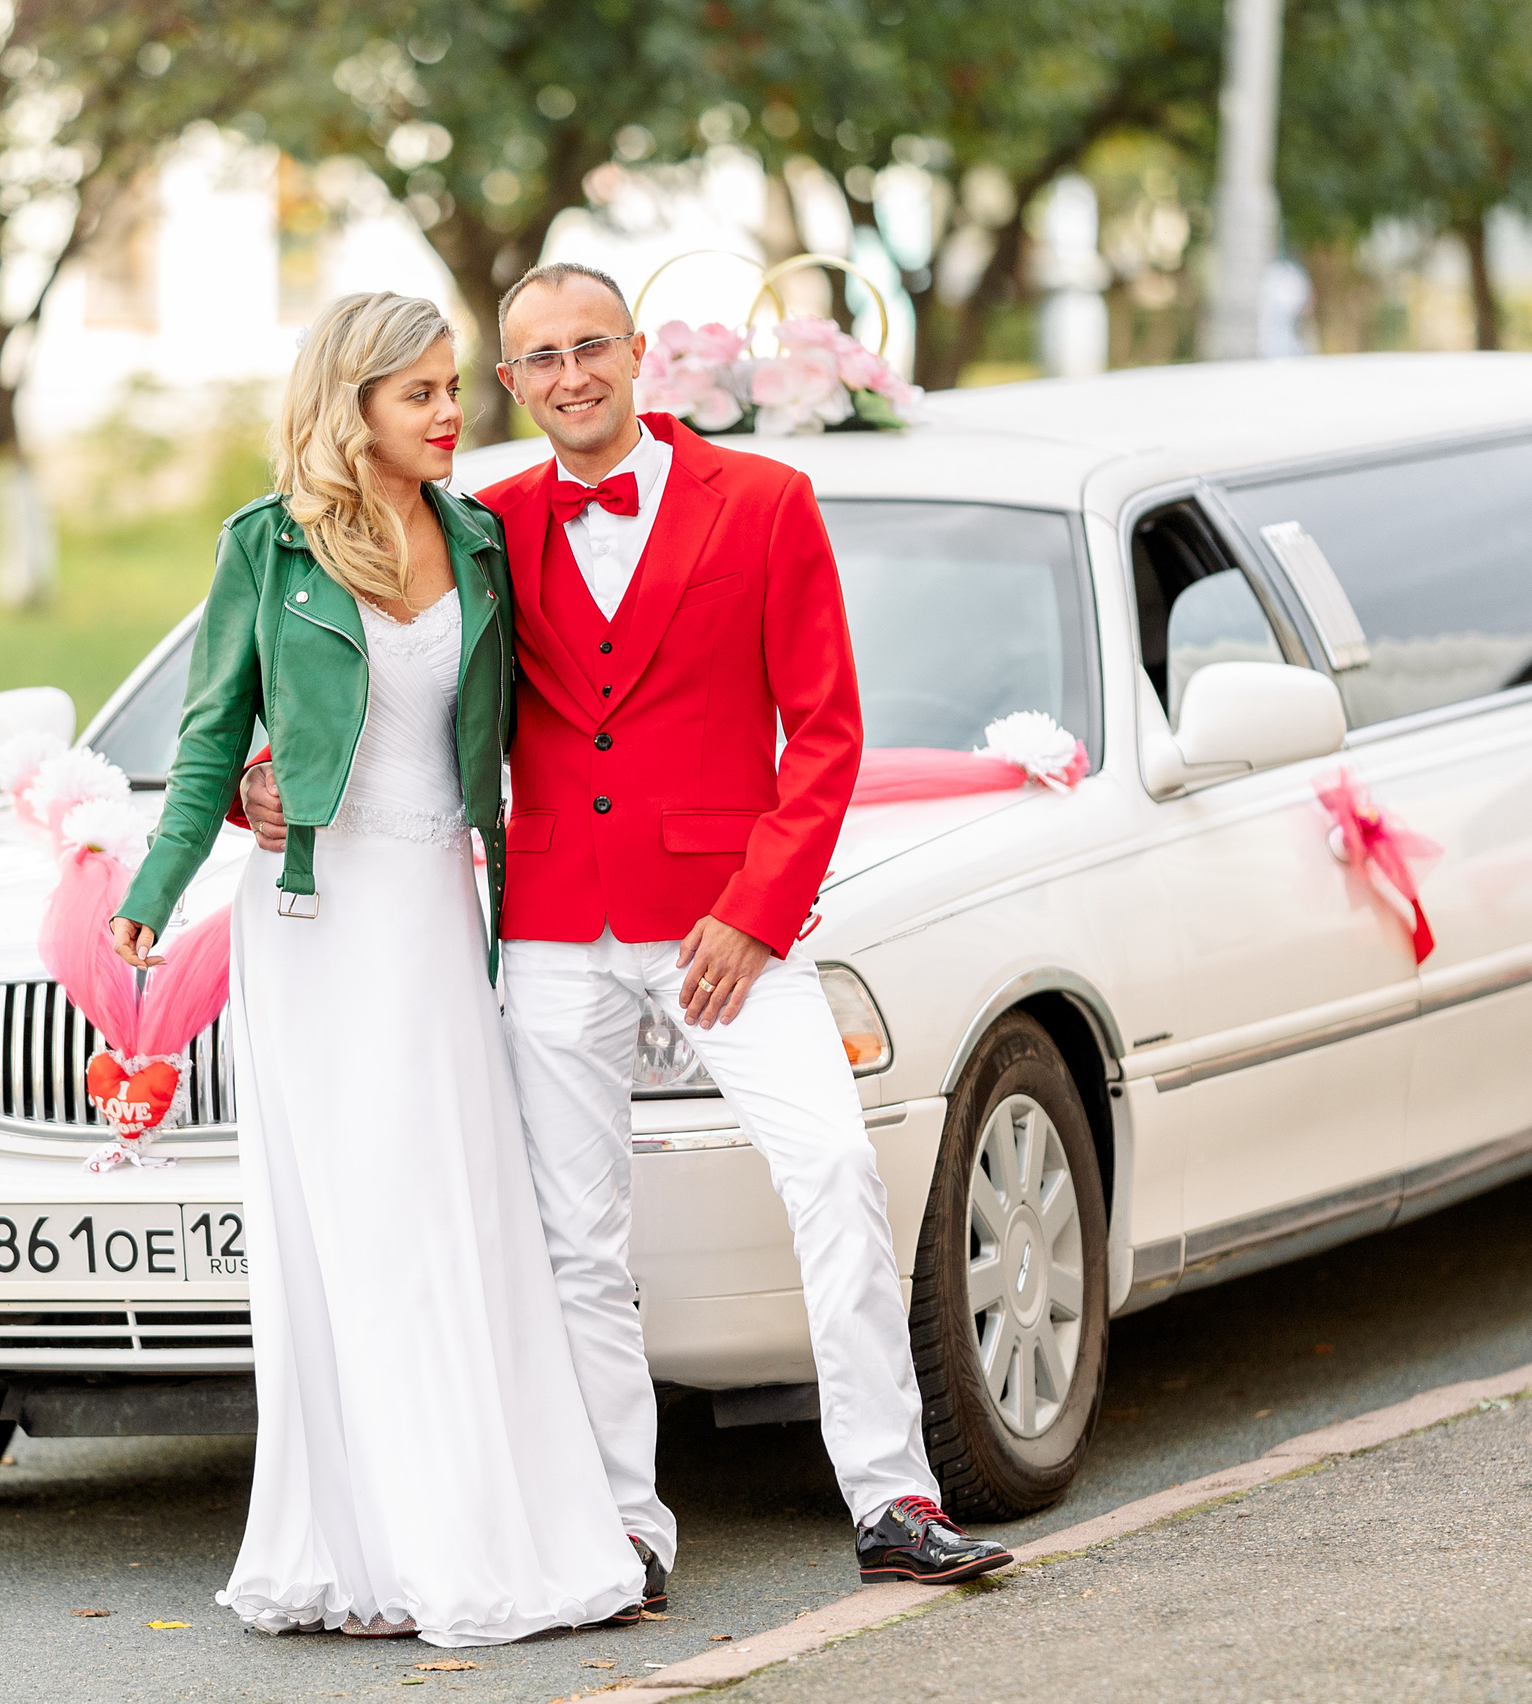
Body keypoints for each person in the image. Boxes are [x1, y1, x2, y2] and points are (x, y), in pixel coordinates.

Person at [241, 263, 1013, 1595]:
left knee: (832, 1169)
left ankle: (893, 1496)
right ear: (511, 383)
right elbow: (373, 663)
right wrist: (276, 773)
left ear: (640, 352)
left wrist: (756, 914)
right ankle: (624, 1524)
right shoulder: (482, 527)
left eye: (590, 346)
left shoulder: (765, 503)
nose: (569, 377)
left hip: (729, 924)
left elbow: (826, 734)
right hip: (549, 919)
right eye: (536, 360)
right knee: (574, 1239)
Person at [108, 291, 645, 1647]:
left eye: (456, 388)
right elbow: (212, 738)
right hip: (313, 925)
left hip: (434, 914)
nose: (453, 415)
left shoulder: (479, 536)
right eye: (421, 395)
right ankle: (360, 1555)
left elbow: (555, 718)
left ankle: (473, 1536)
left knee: (453, 1221)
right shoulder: (267, 549)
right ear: (353, 407)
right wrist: (151, 897)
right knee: (347, 1236)